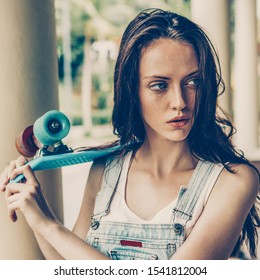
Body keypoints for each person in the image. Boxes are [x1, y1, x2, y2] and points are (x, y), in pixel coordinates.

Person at [0, 8, 259, 260]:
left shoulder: (233, 181)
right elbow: (68, 266)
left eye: (193, 82)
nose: (180, 101)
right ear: (132, 91)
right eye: (159, 85)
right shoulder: (105, 170)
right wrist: (36, 212)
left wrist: (49, 226)